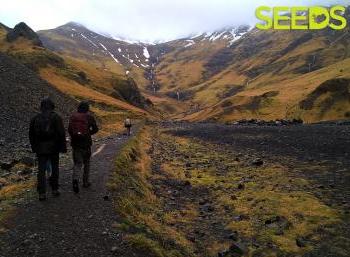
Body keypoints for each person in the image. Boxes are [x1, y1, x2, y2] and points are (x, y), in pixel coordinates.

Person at [29, 98, 67, 201]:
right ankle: (55, 189)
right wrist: (63, 147)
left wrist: (34, 147)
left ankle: (42, 193)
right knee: (55, 168)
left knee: (41, 170)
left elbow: (31, 135)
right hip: (54, 148)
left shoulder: (35, 118)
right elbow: (61, 133)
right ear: (52, 106)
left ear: (41, 106)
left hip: (40, 149)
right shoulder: (56, 117)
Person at [68, 101, 98, 193]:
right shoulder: (89, 117)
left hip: (76, 144)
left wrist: (75, 136)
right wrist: (88, 134)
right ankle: (85, 182)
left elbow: (70, 130)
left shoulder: (73, 117)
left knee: (77, 163)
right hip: (86, 144)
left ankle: (75, 179)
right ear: (87, 109)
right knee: (87, 163)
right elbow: (96, 129)